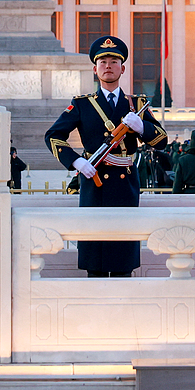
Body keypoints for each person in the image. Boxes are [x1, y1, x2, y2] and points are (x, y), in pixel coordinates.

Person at [46, 35, 168, 276]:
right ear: (95, 69)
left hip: (126, 184)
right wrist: (77, 161)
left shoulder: (136, 104)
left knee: (122, 251)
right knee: (96, 252)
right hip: (94, 182)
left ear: (122, 68)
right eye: (103, 62)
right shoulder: (82, 104)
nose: (108, 66)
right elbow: (53, 136)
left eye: (114, 61)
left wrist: (142, 128)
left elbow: (162, 140)